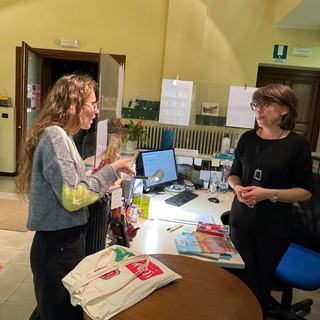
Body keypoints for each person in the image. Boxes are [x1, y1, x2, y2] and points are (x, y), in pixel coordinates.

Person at [16, 74, 135, 320]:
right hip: (58, 246)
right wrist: (111, 171)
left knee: (48, 312)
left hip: (63, 244)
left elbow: (71, 185)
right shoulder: (55, 136)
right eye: (93, 104)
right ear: (74, 103)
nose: (96, 111)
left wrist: (99, 174)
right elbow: (72, 196)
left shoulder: (64, 137)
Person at [227, 83, 313, 318]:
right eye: (256, 104)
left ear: (284, 109)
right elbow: (233, 173)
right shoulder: (247, 139)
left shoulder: (296, 145)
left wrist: (268, 193)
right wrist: (237, 188)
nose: (259, 110)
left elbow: (305, 191)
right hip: (241, 220)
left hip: (273, 227)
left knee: (259, 283)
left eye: (266, 104)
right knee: (240, 277)